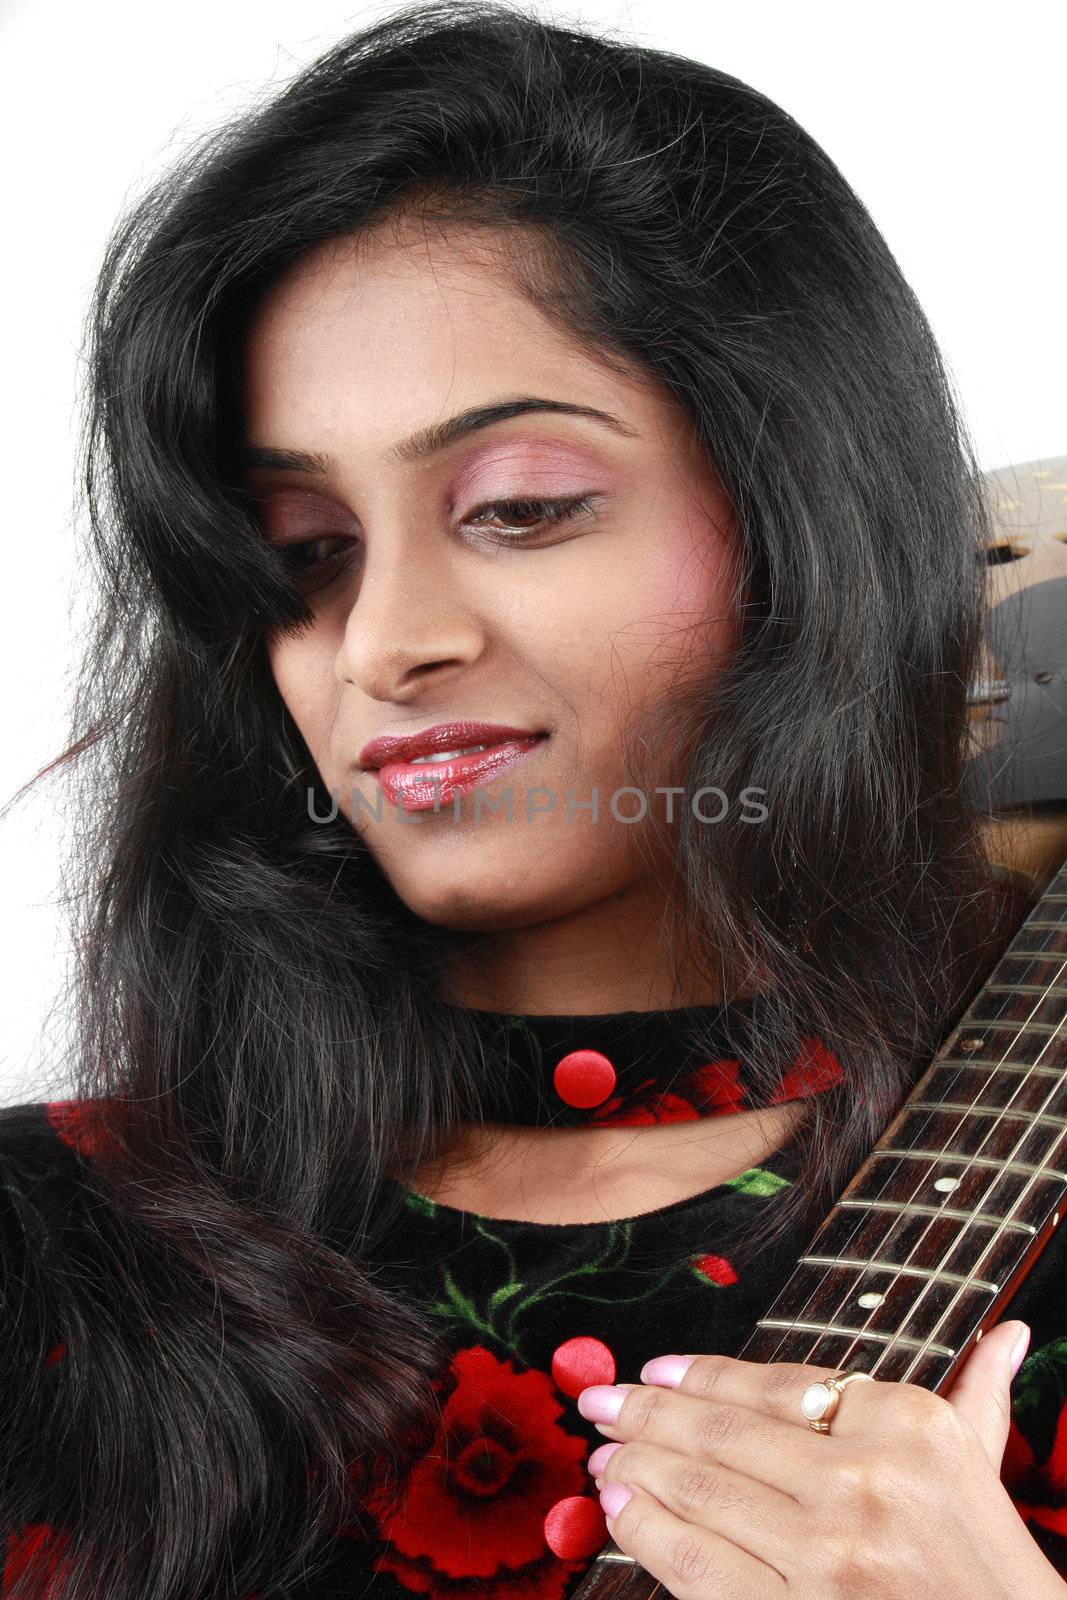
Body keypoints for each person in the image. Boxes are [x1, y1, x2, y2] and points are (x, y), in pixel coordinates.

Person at [1, 2, 1064, 1596]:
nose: (387, 643)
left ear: (802, 525)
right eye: (301, 553)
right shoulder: (43, 1258)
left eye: (521, 509)